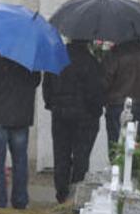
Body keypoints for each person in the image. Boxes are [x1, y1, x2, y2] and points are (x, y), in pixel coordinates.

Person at [0, 48, 41, 209]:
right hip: (21, 116)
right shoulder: (28, 57)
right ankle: (20, 199)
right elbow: (35, 81)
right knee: (20, 161)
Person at [43, 40, 104, 204]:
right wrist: (95, 112)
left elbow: (46, 87)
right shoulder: (90, 62)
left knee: (61, 155)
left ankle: (61, 193)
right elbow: (96, 92)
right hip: (85, 117)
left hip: (60, 115)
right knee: (81, 157)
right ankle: (77, 194)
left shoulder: (56, 59)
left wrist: (53, 104)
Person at [101, 39, 140, 150]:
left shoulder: (114, 54)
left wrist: (105, 98)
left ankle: (118, 166)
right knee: (139, 145)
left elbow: (104, 82)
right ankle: (136, 167)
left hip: (116, 106)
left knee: (117, 145)